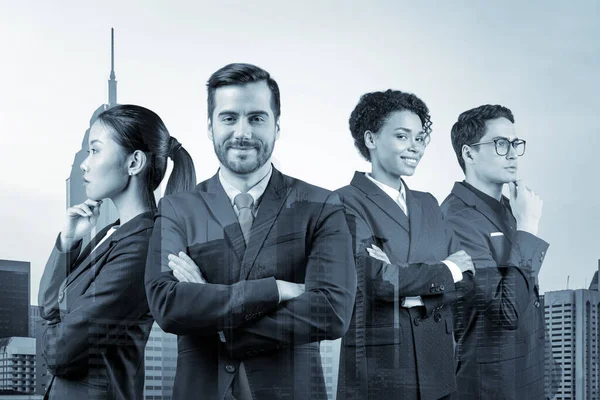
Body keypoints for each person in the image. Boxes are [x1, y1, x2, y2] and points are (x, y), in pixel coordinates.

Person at [144, 63, 356, 400]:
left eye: (257, 118)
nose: (242, 132)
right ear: (210, 127)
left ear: (277, 127)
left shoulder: (321, 204)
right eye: (229, 118)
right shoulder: (176, 209)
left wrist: (218, 319)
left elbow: (331, 311)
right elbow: (168, 305)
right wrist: (274, 290)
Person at [38, 104, 196, 400]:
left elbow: (60, 352)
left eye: (95, 151)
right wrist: (68, 241)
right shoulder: (111, 233)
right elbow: (48, 306)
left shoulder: (143, 246)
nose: (85, 164)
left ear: (134, 162)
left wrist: (52, 327)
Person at [336, 89, 474, 400]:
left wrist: (414, 294)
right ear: (371, 139)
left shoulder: (428, 204)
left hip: (438, 367)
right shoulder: (343, 201)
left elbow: (468, 280)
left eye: (420, 138)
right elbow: (376, 281)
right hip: (381, 371)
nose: (415, 147)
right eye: (402, 136)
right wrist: (447, 269)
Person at [440, 104, 552, 399]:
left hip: (526, 378)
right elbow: (505, 311)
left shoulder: (509, 209)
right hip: (489, 387)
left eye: (515, 143)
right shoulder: (456, 219)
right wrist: (528, 227)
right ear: (469, 153)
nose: (513, 153)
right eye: (500, 144)